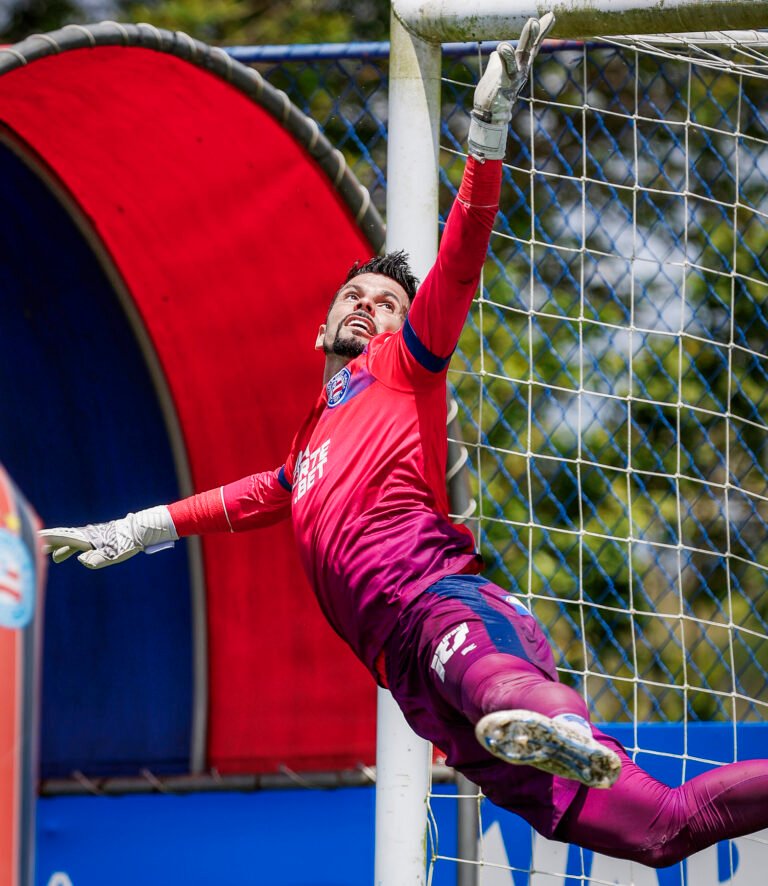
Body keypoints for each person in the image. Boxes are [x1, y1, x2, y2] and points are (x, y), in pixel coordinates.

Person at [40, 17, 768, 868]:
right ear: (321, 326)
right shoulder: (310, 447)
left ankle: (554, 721)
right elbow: (243, 498)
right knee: (659, 831)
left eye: (385, 303)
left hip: (443, 610)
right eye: (353, 296)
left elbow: (458, 265)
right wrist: (133, 530)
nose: (367, 306)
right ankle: (537, 727)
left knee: (495, 689)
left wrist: (485, 141)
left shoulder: (403, 368)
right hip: (417, 684)